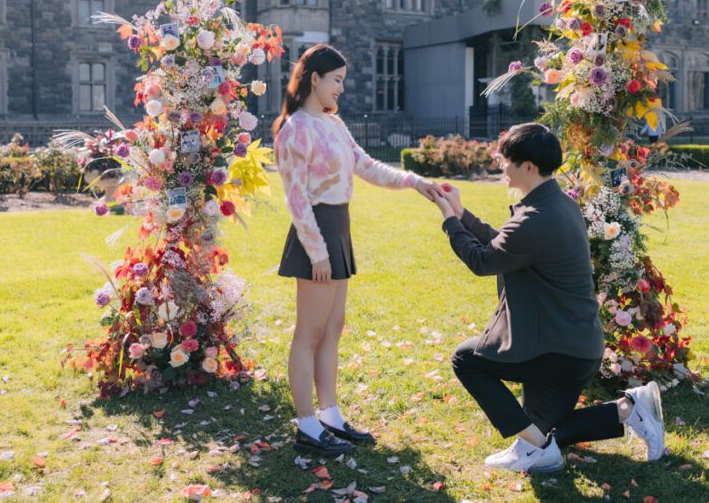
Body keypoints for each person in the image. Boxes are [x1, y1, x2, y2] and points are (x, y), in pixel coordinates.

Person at [432, 122, 665, 473]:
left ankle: (537, 446)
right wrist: (462, 214)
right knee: (544, 430)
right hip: (577, 344)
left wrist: (450, 221)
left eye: (506, 159)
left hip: (556, 350)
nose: (501, 165)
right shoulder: (558, 205)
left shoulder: (534, 220)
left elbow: (484, 260)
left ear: (528, 166)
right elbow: (505, 246)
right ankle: (629, 410)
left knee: (466, 360)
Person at [272, 44, 446, 458]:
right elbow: (295, 198)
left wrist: (413, 181)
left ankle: (330, 415)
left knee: (332, 329)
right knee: (309, 333)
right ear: (314, 78)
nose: (341, 90)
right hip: (316, 234)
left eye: (343, 82)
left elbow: (366, 165)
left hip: (339, 230)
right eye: (336, 81)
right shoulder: (295, 129)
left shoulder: (333, 124)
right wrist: (316, 251)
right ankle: (307, 425)